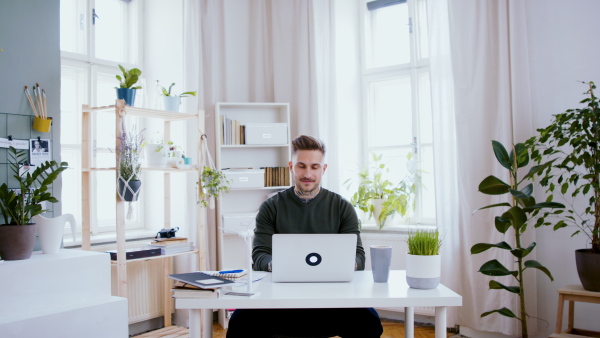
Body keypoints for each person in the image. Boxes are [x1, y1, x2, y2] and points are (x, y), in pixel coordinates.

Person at [226, 135, 383, 338]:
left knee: (369, 323)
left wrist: (344, 264)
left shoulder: (342, 207)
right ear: (291, 166)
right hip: (279, 300)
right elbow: (259, 256)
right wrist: (280, 266)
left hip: (333, 301)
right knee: (240, 323)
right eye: (301, 166)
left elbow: (359, 258)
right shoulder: (271, 207)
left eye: (315, 167)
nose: (308, 173)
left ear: (323, 169)